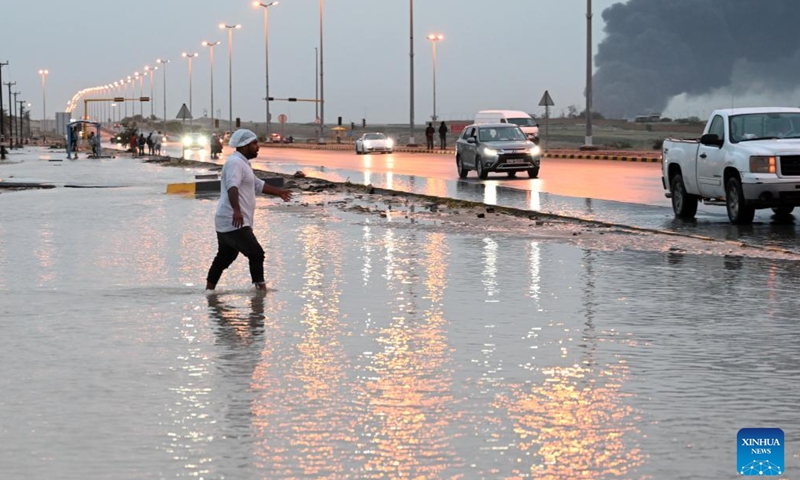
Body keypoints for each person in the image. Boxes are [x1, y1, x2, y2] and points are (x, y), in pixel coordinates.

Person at [205, 129, 293, 292]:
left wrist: (279, 192)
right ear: (244, 146)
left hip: (230, 219)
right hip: (233, 219)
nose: (258, 147)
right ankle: (260, 294)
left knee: (224, 258)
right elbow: (232, 187)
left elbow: (258, 184)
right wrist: (237, 211)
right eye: (254, 144)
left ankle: (209, 293)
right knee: (256, 254)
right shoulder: (235, 163)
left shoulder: (243, 163)